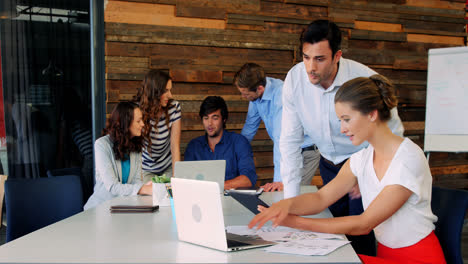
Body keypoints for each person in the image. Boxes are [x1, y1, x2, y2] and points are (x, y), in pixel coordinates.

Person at [249, 75, 446, 264]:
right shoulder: (362, 158)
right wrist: (286, 206)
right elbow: (321, 198)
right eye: (340, 120)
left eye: (347, 119)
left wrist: (294, 222)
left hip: (419, 258)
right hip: (386, 254)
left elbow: (363, 224)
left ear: (371, 114)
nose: (342, 129)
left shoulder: (407, 159)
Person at [279, 20, 404, 255]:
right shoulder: (295, 79)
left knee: (361, 236)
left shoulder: (364, 80)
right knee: (332, 234)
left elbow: (393, 133)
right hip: (328, 164)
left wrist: (368, 168)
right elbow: (289, 141)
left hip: (364, 162)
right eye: (305, 57)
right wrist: (291, 202)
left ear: (337, 56)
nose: (310, 68)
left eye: (319, 59)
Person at [234, 63, 320, 192]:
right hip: (288, 149)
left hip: (305, 151)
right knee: (283, 194)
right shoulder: (255, 96)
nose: (243, 97)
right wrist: (235, 153)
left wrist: (279, 180)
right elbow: (249, 127)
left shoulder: (281, 96)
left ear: (260, 89)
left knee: (291, 194)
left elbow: (283, 139)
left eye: (245, 94)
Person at [84, 102, 152, 210]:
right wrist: (144, 189)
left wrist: (144, 187)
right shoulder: (102, 145)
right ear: (125, 123)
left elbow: (137, 182)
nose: (143, 124)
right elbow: (112, 186)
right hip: (100, 209)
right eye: (138, 121)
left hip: (124, 207)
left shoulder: (136, 145)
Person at [184, 96, 257, 190]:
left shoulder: (239, 142)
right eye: (206, 118)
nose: (209, 123)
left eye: (215, 118)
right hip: (201, 200)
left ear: (224, 119)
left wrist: (215, 187)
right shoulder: (193, 146)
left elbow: (248, 179)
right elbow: (186, 181)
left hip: (232, 201)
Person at [136, 70, 181, 183]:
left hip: (168, 167)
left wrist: (176, 179)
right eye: (166, 91)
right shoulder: (137, 110)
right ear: (154, 91)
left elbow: (175, 146)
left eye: (170, 90)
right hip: (146, 169)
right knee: (150, 198)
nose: (170, 95)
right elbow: (136, 150)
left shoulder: (174, 108)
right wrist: (139, 179)